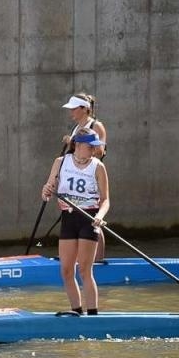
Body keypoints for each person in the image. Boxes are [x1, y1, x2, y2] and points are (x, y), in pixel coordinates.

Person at [39, 131, 111, 315]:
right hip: (69, 218)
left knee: (85, 270)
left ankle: (93, 314)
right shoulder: (60, 162)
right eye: (90, 146)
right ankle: (77, 312)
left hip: (89, 219)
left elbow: (105, 200)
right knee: (66, 270)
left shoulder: (98, 166)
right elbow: (47, 192)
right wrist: (46, 190)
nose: (95, 150)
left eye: (95, 147)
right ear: (78, 145)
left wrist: (100, 216)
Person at [62, 93, 108, 260]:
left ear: (85, 109)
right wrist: (73, 142)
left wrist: (74, 142)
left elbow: (99, 151)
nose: (71, 112)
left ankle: (99, 259)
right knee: (80, 217)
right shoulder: (77, 127)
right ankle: (78, 257)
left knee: (92, 217)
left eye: (74, 109)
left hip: (91, 175)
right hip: (75, 174)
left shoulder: (96, 125)